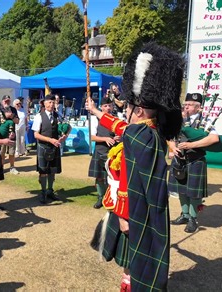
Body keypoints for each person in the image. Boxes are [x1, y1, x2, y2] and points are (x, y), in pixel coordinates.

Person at [87, 42, 184, 291]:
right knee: (134, 262)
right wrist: (97, 111)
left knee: (134, 264)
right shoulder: (150, 130)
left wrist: (123, 215)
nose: (125, 111)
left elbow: (133, 182)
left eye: (128, 107)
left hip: (132, 212)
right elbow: (121, 127)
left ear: (138, 110)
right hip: (142, 211)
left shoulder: (138, 135)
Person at [168, 92, 220, 233]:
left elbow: (214, 138)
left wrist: (192, 145)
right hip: (180, 160)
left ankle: (193, 219)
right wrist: (172, 147)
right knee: (181, 190)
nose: (186, 107)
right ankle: (184, 215)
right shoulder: (179, 119)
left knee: (193, 193)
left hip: (196, 160)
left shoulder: (205, 121)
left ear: (198, 107)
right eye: (185, 104)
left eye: (189, 105)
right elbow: (170, 136)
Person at [32, 94, 70, 203]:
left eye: (53, 102)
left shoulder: (58, 115)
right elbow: (36, 135)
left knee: (52, 170)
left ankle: (50, 191)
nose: (51, 104)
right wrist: (50, 140)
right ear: (44, 103)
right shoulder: (39, 116)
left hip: (54, 147)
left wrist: (64, 136)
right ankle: (43, 192)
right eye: (49, 102)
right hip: (43, 146)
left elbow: (68, 127)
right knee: (43, 171)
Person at [88, 98, 119, 209]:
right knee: (100, 177)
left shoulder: (116, 119)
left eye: (109, 105)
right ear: (101, 107)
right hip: (100, 151)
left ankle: (112, 198)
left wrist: (118, 137)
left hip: (113, 152)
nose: (108, 108)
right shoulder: (94, 119)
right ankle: (101, 197)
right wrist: (105, 138)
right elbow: (92, 137)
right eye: (105, 106)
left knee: (113, 177)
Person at [0, 95, 20, 174]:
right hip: (2, 135)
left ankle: (12, 167)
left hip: (12, 134)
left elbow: (17, 121)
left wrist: (12, 116)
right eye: (5, 101)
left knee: (12, 152)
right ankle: (1, 168)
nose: (7, 102)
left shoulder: (13, 109)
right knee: (1, 152)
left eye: (8, 101)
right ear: (2, 101)